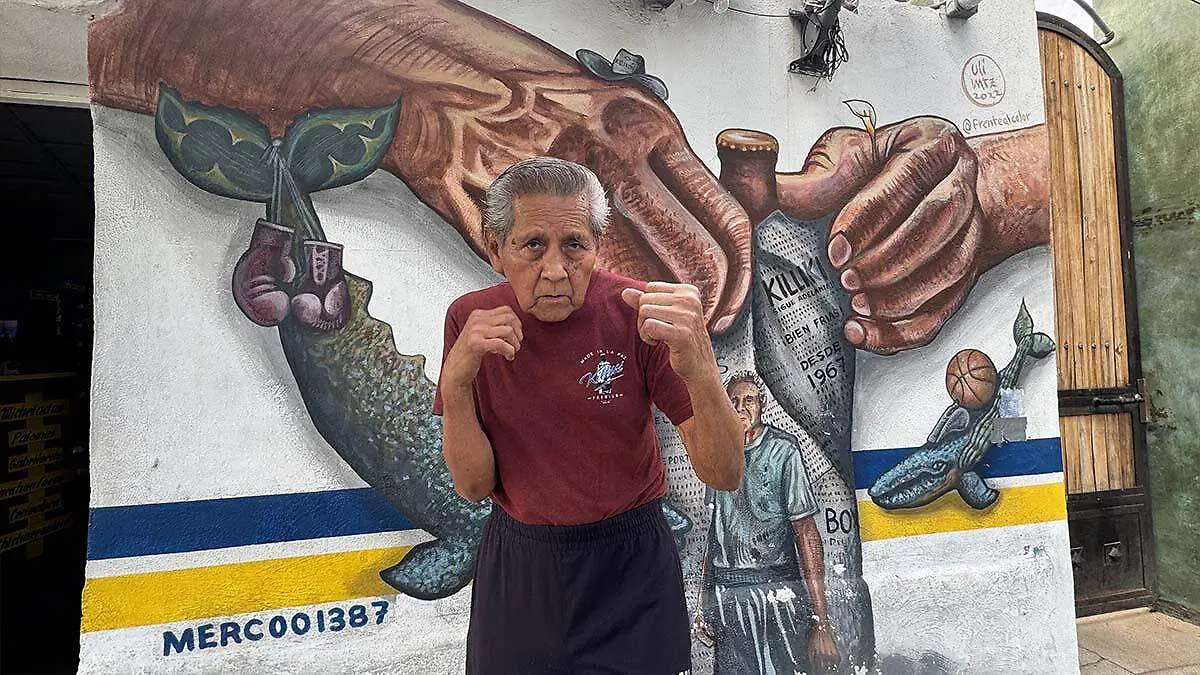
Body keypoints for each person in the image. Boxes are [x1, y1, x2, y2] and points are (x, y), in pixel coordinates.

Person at [433, 157, 745, 674]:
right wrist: (456, 382)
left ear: (598, 246)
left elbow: (725, 472)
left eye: (574, 245)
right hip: (521, 571)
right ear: (495, 248)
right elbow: (472, 486)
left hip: (631, 570)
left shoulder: (637, 314)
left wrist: (703, 371)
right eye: (534, 245)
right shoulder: (471, 323)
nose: (556, 270)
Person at [698, 372, 839, 674]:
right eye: (734, 401)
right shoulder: (718, 451)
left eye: (749, 400)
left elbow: (806, 531)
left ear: (761, 404)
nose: (741, 407)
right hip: (729, 591)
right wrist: (703, 603)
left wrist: (821, 623)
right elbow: (714, 529)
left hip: (777, 586)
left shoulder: (784, 450)